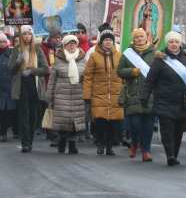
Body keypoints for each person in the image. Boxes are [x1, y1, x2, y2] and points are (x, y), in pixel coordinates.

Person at [141, 31, 186, 166]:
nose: (174, 44)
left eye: (176, 42)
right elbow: (150, 80)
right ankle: (170, 155)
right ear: (167, 43)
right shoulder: (160, 59)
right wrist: (144, 96)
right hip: (164, 100)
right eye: (171, 42)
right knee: (167, 130)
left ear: (180, 44)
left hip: (182, 101)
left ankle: (175, 153)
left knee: (179, 130)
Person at [83, 27, 124, 156]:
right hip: (98, 94)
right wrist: (87, 95)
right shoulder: (94, 56)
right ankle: (100, 144)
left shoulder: (119, 56)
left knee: (113, 122)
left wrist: (123, 92)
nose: (108, 42)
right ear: (101, 42)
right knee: (100, 122)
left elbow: (122, 75)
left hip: (115, 94)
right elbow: (88, 76)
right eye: (105, 40)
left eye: (110, 40)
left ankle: (109, 146)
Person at [117, 28, 156, 162]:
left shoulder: (154, 53)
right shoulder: (127, 54)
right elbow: (119, 71)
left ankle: (146, 150)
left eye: (142, 37)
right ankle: (134, 143)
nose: (139, 39)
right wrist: (131, 71)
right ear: (134, 39)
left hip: (150, 93)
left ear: (146, 38)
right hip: (132, 93)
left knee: (148, 124)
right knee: (135, 124)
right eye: (137, 37)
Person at [9, 25, 49, 153]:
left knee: (33, 115)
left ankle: (30, 140)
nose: (27, 36)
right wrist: (18, 62)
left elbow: (45, 68)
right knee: (23, 115)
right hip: (21, 84)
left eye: (29, 34)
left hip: (34, 83)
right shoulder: (16, 49)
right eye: (24, 34)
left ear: (32, 36)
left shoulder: (37, 49)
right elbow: (10, 70)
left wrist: (32, 71)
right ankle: (25, 142)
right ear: (21, 36)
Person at [47, 35, 86, 154]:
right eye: (69, 43)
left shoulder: (82, 59)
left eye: (74, 43)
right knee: (63, 120)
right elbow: (52, 79)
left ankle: (73, 144)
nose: (72, 45)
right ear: (64, 45)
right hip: (61, 95)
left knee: (75, 121)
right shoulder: (58, 59)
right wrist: (49, 96)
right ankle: (62, 141)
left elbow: (86, 77)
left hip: (78, 94)